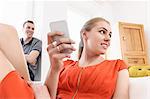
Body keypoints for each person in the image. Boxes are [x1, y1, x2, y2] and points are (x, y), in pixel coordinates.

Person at [46, 17, 129, 99]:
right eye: (102, 32)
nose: (108, 38)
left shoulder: (117, 66)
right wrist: (54, 69)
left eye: (110, 35)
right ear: (84, 35)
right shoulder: (63, 66)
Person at [0, 23, 50, 99]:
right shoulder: (19, 41)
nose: (31, 30)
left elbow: (31, 58)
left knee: (7, 31)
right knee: (7, 31)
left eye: (33, 29)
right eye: (28, 27)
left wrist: (19, 54)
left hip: (28, 80)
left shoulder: (37, 42)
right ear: (23, 29)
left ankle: (26, 91)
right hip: (16, 76)